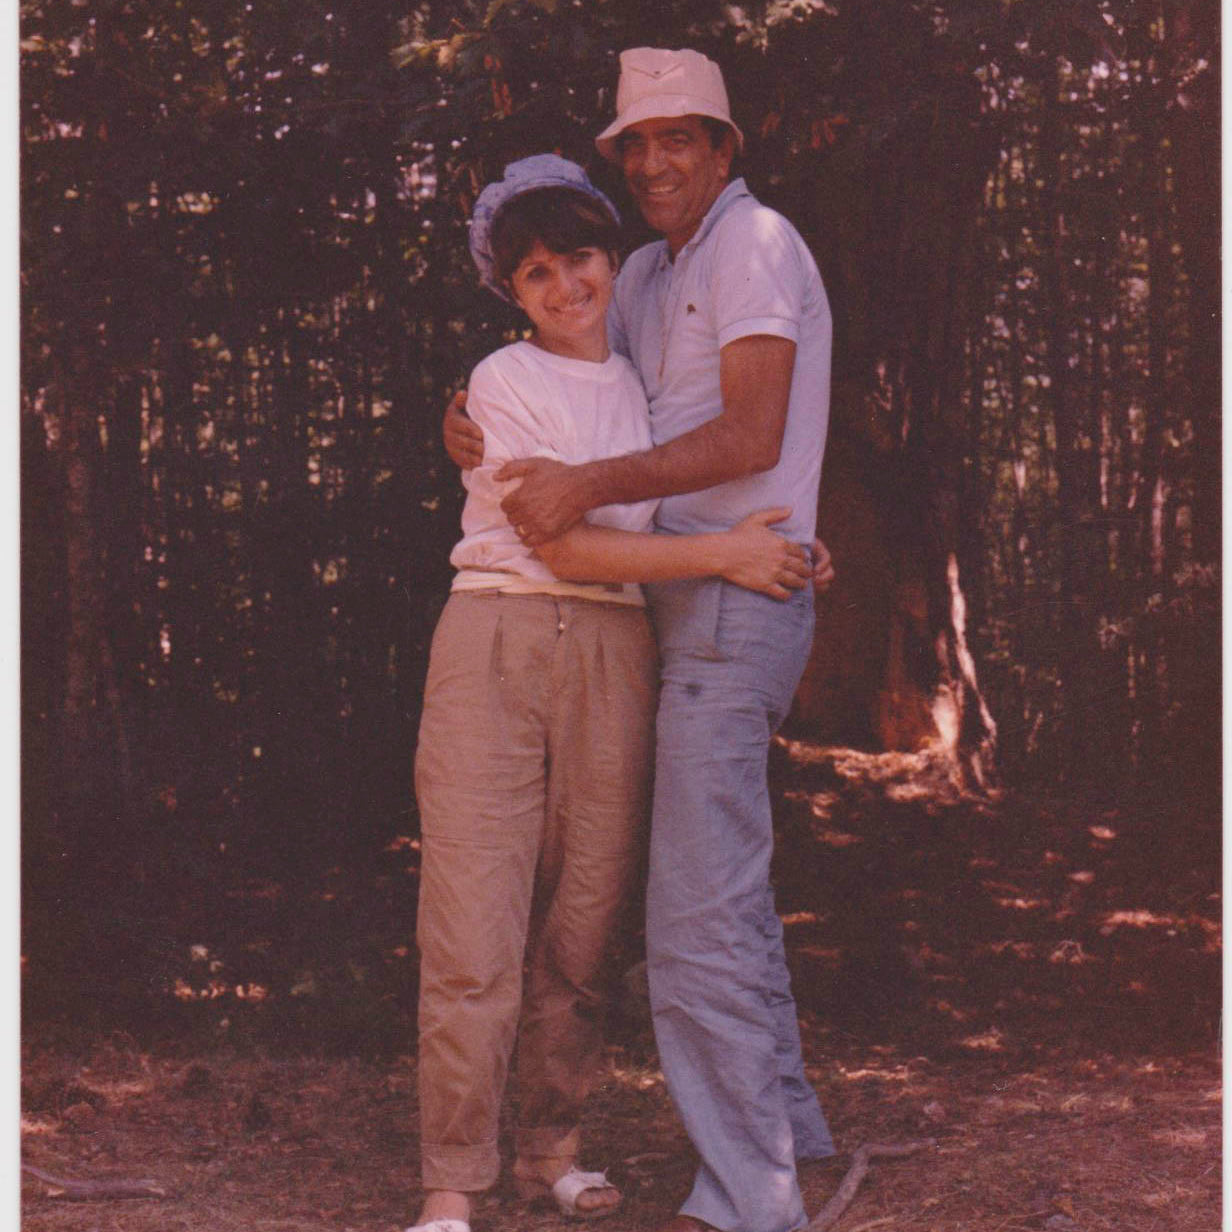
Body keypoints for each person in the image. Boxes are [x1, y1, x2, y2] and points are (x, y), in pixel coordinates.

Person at [445, 47, 837, 1232]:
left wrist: (586, 486)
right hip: (676, 596)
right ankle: (794, 1141)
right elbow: (583, 390)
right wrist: (470, 423)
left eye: (684, 137)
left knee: (692, 915)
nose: (659, 159)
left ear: (724, 147)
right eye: (638, 144)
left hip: (732, 597)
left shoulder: (754, 243)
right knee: (725, 893)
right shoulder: (661, 269)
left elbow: (754, 429)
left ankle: (749, 1199)